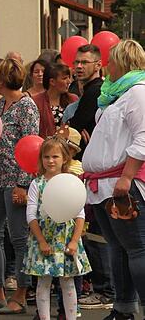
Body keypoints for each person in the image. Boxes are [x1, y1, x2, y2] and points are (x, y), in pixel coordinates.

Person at [81, 40, 145, 320]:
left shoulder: (138, 94)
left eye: (110, 61)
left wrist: (127, 177)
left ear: (121, 62)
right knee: (118, 249)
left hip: (121, 184)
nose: (107, 66)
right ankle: (123, 308)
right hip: (103, 185)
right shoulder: (116, 95)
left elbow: (144, 137)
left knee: (136, 248)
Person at [0, 58, 39, 314]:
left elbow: (31, 145)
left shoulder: (27, 107)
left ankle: (22, 292)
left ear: (3, 80)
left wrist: (23, 184)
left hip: (16, 180)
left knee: (18, 238)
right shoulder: (1, 104)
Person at [24, 137, 90, 320]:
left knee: (68, 283)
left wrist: (75, 241)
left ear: (65, 159)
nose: (50, 161)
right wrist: (41, 241)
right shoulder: (37, 184)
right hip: (43, 239)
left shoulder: (71, 182)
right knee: (43, 282)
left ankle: (71, 317)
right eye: (46, 157)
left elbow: (80, 213)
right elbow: (31, 214)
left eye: (55, 156)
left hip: (66, 239)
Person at [68, 44, 103, 158]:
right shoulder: (91, 89)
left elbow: (73, 126)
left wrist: (72, 126)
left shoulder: (95, 90)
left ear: (98, 65)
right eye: (76, 62)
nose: (79, 66)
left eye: (84, 62)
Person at [31, 63, 78, 138]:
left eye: (69, 77)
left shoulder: (73, 99)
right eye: (64, 78)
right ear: (52, 82)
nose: (69, 81)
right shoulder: (35, 102)